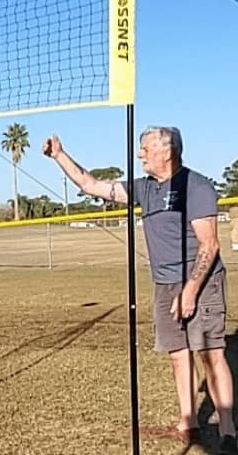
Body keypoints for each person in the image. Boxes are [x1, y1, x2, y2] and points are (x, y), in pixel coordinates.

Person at [43, 127, 236, 453]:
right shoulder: (143, 188)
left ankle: (228, 430)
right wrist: (59, 155)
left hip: (201, 283)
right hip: (165, 284)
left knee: (210, 354)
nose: (139, 154)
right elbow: (90, 185)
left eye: (145, 148)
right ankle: (188, 422)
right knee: (178, 357)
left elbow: (210, 244)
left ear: (167, 150)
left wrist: (190, 291)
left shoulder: (197, 186)